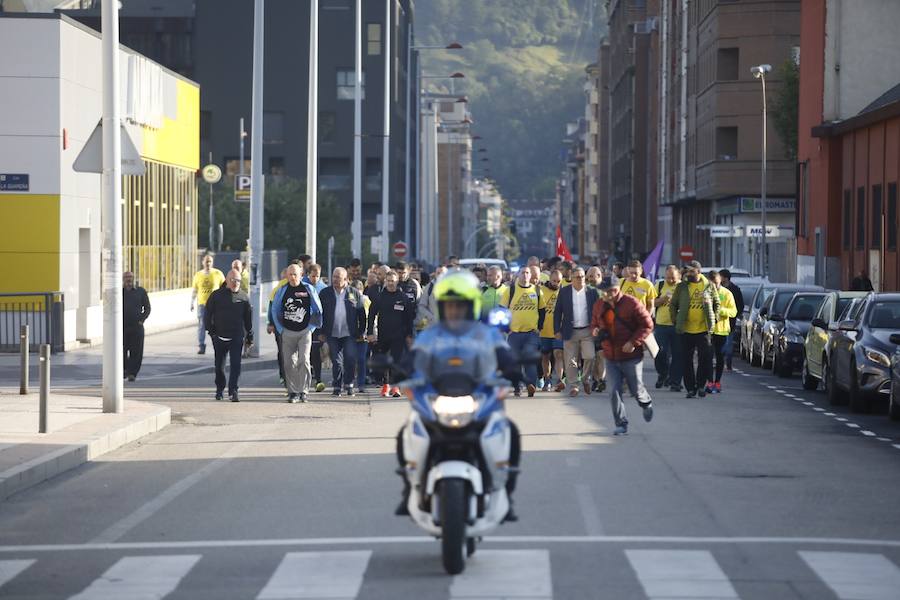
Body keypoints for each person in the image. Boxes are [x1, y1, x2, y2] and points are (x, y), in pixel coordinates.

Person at [394, 271, 523, 520]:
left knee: (511, 432)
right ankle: (409, 488)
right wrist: (400, 368)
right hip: (437, 396)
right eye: (449, 305)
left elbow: (504, 355)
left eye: (460, 305)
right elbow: (413, 358)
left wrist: (515, 368)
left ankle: (506, 493)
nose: (454, 311)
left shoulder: (486, 333)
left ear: (471, 306)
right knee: (405, 433)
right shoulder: (431, 335)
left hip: (478, 396)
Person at [591, 276, 655, 435]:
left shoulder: (631, 303)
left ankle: (645, 403)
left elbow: (647, 325)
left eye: (609, 291)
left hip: (631, 355)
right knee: (613, 390)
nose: (606, 295)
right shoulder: (599, 305)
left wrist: (633, 342)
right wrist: (595, 330)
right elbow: (594, 323)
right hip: (610, 355)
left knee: (635, 389)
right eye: (604, 292)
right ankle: (621, 424)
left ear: (616, 289)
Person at [269, 264, 323, 403]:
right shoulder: (282, 290)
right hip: (287, 331)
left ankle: (303, 391)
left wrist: (311, 327)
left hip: (305, 331)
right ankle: (293, 392)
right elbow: (275, 310)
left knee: (304, 360)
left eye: (295, 274)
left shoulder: (308, 289)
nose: (293, 277)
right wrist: (280, 329)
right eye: (290, 274)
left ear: (301, 275)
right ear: (287, 276)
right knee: (288, 363)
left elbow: (317, 309)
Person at [669, 261, 719, 399]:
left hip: (704, 329)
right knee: (687, 360)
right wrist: (675, 320)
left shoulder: (709, 285)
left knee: (704, 359)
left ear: (698, 271)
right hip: (686, 329)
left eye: (691, 271)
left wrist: (715, 318)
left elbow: (717, 303)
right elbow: (673, 304)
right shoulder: (682, 286)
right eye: (687, 272)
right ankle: (690, 388)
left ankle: (701, 385)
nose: (688, 274)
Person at [204, 269, 253, 402]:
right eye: (233, 280)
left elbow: (248, 319)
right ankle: (220, 389)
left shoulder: (244, 297)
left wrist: (250, 335)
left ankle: (233, 391)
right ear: (226, 280)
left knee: (236, 364)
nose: (235, 283)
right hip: (219, 337)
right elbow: (207, 314)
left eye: (238, 280)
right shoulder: (216, 296)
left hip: (236, 336)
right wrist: (211, 332)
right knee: (219, 366)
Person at [318, 267, 367, 397]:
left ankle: (349, 384)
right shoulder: (325, 293)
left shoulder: (354, 293)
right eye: (334, 277)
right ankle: (337, 386)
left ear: (345, 279)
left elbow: (361, 314)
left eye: (338, 278)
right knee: (336, 361)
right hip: (332, 333)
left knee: (350, 358)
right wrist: (320, 332)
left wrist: (361, 331)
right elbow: (318, 313)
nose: (335, 280)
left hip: (349, 333)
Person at [367, 270, 416, 398]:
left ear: (397, 281)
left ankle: (396, 387)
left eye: (393, 281)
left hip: (399, 335)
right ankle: (385, 385)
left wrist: (409, 335)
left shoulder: (403, 297)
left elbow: (409, 318)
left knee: (396, 361)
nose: (390, 283)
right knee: (384, 361)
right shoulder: (380, 297)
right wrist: (370, 332)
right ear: (385, 281)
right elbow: (371, 315)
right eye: (388, 281)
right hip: (383, 334)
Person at [500, 266, 546, 397]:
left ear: (530, 275)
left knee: (529, 358)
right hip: (514, 333)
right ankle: (517, 387)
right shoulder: (510, 290)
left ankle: (531, 385)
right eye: (523, 273)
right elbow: (501, 310)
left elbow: (542, 311)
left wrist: (539, 327)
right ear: (518, 275)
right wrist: (506, 329)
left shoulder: (537, 290)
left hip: (531, 333)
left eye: (527, 273)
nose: (525, 275)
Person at [555, 267, 600, 397]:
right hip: (570, 330)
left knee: (590, 356)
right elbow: (558, 312)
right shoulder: (564, 292)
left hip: (587, 330)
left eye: (582, 277)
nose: (580, 279)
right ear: (572, 278)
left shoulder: (592, 292)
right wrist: (557, 329)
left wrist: (598, 327)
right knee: (571, 360)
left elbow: (598, 311)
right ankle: (574, 385)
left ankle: (585, 379)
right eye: (577, 277)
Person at [706, 270, 737, 394]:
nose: (715, 286)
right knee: (707, 357)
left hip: (721, 330)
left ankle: (717, 382)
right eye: (712, 283)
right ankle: (709, 381)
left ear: (720, 282)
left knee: (719, 357)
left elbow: (733, 312)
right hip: (707, 331)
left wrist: (720, 310)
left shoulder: (726, 293)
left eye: (717, 283)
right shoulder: (705, 293)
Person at [653, 265, 683, 391]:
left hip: (678, 326)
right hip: (662, 325)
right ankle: (663, 373)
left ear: (679, 276)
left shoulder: (683, 287)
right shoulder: (660, 285)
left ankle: (675, 382)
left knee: (677, 355)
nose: (670, 280)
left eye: (673, 278)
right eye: (668, 277)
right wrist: (663, 299)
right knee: (660, 352)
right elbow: (652, 302)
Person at [190, 254, 226, 354]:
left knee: (216, 324)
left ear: (212, 262)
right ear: (203, 262)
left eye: (210, 261)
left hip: (215, 305)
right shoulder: (198, 275)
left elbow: (224, 288)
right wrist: (192, 302)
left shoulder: (218, 273)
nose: (208, 263)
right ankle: (201, 345)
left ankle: (218, 344)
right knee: (202, 325)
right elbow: (195, 290)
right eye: (206, 261)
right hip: (202, 304)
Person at [539, 270, 565, 392]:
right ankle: (547, 379)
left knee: (559, 354)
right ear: (549, 279)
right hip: (544, 330)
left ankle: (559, 380)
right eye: (554, 281)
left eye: (559, 281)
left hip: (558, 331)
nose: (556, 283)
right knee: (545, 356)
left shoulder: (564, 291)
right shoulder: (541, 290)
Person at [122, 271, 151, 382]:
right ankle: (124, 370)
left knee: (136, 351)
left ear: (133, 278)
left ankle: (132, 373)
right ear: (123, 279)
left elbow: (147, 308)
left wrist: (141, 320)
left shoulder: (140, 291)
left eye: (130, 277)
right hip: (122, 327)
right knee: (121, 350)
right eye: (126, 277)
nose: (128, 279)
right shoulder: (119, 292)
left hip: (136, 327)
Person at [306, 264, 328, 393]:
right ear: (308, 275)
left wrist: (323, 329)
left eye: (317, 276)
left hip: (316, 326)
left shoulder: (323, 289)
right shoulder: (302, 286)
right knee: (306, 353)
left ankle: (318, 379)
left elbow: (324, 310)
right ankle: (306, 377)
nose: (315, 279)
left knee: (315, 352)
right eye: (313, 276)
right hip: (304, 324)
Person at [718, 269, 744, 371]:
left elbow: (740, 305)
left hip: (730, 321)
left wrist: (734, 315)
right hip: (718, 321)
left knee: (728, 342)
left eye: (720, 276)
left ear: (725, 278)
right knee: (720, 342)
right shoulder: (717, 288)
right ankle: (721, 361)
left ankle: (728, 362)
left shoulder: (735, 290)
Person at [351, 279, 372, 390]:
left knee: (361, 359)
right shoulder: (348, 300)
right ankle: (348, 381)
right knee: (349, 359)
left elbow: (369, 317)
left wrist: (369, 332)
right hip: (350, 334)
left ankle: (361, 383)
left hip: (363, 334)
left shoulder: (366, 301)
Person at [417, 265, 447, 331]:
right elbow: (421, 306)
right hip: (432, 328)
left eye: (443, 273)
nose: (440, 275)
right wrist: (432, 317)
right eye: (438, 273)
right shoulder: (429, 287)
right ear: (435, 274)